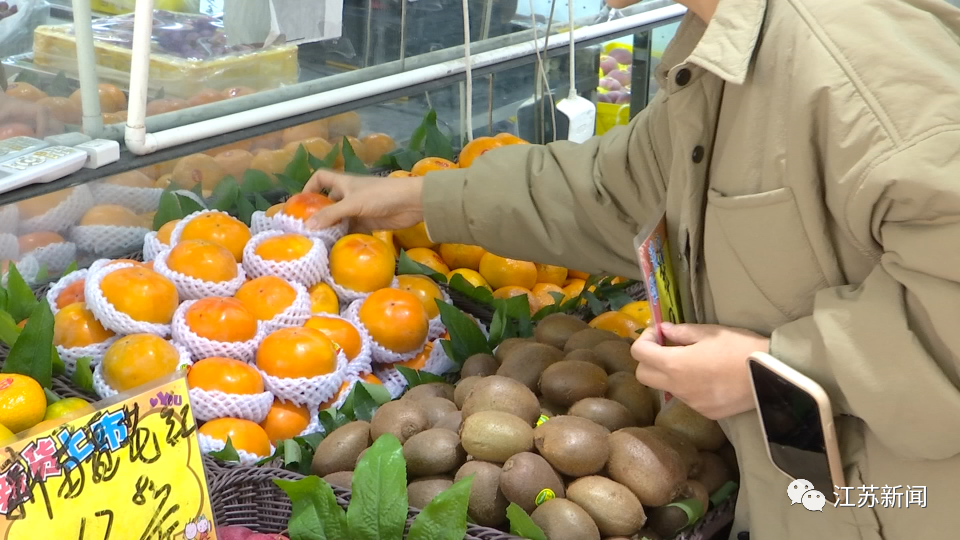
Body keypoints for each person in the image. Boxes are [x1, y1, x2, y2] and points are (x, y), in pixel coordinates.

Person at [303, 0, 960, 537]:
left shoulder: (858, 64)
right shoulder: (724, 44)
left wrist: (774, 368)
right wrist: (423, 199)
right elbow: (614, 191)